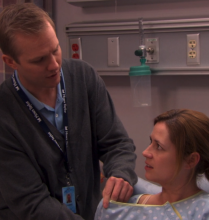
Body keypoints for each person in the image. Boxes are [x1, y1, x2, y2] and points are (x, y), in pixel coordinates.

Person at [0, 3, 137, 220]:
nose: (54, 65)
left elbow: (116, 143)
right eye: (39, 60)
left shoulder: (83, 77)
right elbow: (31, 201)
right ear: (10, 62)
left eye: (55, 50)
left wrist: (121, 174)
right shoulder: (5, 114)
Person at [95, 109, 209, 220]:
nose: (145, 152)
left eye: (159, 146)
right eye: (151, 142)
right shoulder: (118, 209)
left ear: (191, 160)